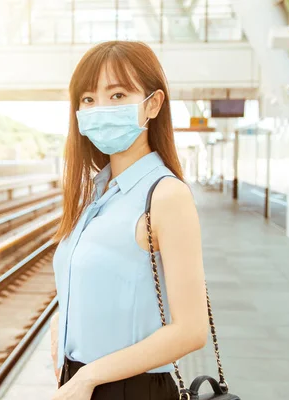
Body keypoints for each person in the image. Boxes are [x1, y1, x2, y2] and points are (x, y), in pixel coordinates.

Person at [49, 40, 209, 400]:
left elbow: (191, 330)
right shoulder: (94, 195)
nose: (100, 109)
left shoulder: (166, 195)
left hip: (130, 389)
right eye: (88, 99)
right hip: (78, 383)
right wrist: (61, 332)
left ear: (152, 104)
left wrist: (88, 378)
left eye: (118, 95)